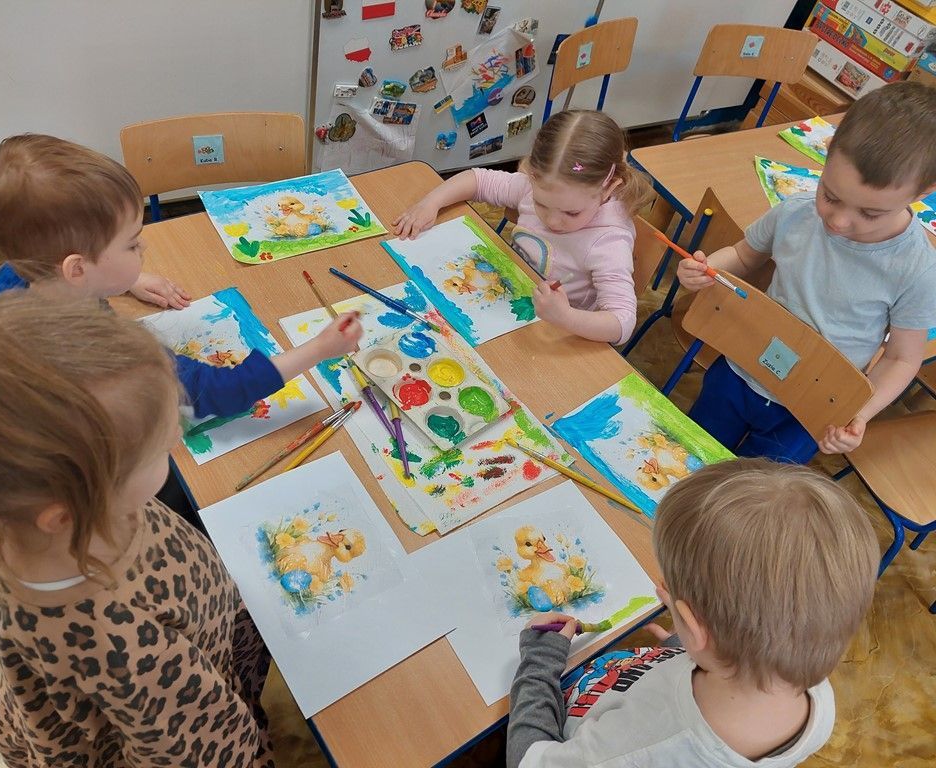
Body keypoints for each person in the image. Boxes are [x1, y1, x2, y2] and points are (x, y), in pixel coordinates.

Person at [0, 291, 276, 767]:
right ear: (66, 512)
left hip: (205, 638)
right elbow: (197, 753)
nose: (175, 439)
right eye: (160, 448)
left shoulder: (53, 527)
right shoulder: (118, 645)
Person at [507, 459, 879, 767]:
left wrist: (539, 663)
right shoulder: (811, 694)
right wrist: (689, 648)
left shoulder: (645, 742)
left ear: (692, 623)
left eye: (667, 592)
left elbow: (530, 762)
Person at [0, 133, 361, 421]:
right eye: (131, 245)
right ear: (77, 269)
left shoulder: (17, 276)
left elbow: (68, 274)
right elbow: (218, 393)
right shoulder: (103, 356)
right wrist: (319, 348)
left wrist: (127, 279)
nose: (143, 248)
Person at [678, 82, 936, 463]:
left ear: (924, 191)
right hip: (741, 369)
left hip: (813, 410)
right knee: (688, 453)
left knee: (753, 487)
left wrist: (859, 414)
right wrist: (707, 268)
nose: (838, 221)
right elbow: (744, 256)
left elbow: (901, 358)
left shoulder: (917, 270)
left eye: (870, 213)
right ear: (827, 151)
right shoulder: (796, 211)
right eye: (830, 195)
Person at [393, 110, 651, 344]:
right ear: (533, 174)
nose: (552, 221)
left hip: (555, 333)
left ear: (608, 188)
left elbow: (622, 323)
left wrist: (567, 317)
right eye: (541, 204)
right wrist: (431, 203)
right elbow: (479, 180)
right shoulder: (534, 185)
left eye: (571, 213)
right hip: (503, 302)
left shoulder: (609, 240)